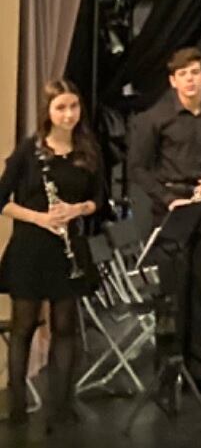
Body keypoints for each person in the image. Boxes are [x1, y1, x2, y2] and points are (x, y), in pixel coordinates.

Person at [127, 47, 201, 392]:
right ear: (173, 80)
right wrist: (167, 198)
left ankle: (197, 372)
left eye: (195, 73)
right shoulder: (154, 118)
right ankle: (167, 371)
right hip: (172, 211)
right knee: (172, 296)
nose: (190, 79)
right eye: (182, 74)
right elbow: (138, 169)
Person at [0, 80, 102, 428]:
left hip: (67, 249)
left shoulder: (87, 150)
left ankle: (61, 404)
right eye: (61, 108)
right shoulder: (29, 151)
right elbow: (2, 202)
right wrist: (41, 218)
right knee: (24, 326)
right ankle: (15, 405)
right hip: (30, 248)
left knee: (65, 327)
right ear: (48, 112)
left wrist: (76, 210)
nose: (69, 114)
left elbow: (98, 201)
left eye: (73, 106)